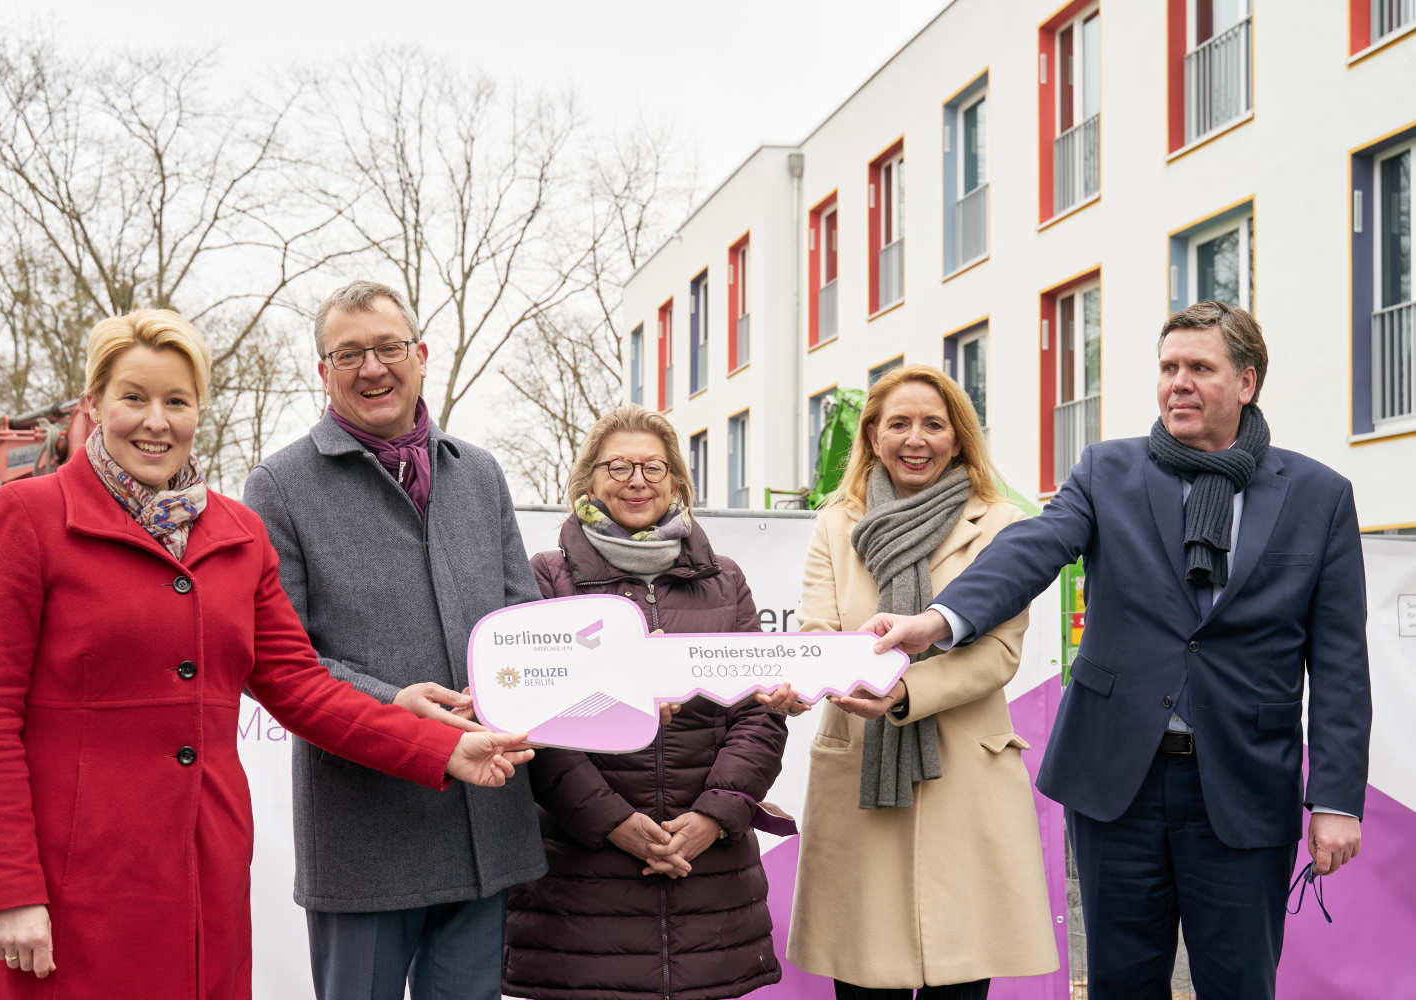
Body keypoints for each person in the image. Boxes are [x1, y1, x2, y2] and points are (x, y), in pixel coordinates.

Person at [0, 309, 533, 1000]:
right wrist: (9, 889)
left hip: (205, 875)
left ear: (199, 411)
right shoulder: (28, 518)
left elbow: (300, 687)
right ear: (95, 404)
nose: (155, 421)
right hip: (71, 884)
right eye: (134, 398)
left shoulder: (237, 531)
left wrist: (436, 749)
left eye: (177, 401)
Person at [866, 303, 1372, 1000]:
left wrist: (1337, 800)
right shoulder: (1109, 470)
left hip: (1245, 786)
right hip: (1117, 784)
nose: (1178, 384)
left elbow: (1341, 660)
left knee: (1240, 984)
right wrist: (939, 620)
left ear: (1246, 383)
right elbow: (1032, 549)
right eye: (1169, 369)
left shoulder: (1319, 495)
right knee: (1120, 984)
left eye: (1200, 368)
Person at [242, 280, 546, 1000]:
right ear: (322, 372)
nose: (372, 368)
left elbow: (522, 622)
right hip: (365, 832)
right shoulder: (278, 485)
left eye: (388, 347)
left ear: (422, 355)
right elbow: (280, 658)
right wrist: (393, 701)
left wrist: (607, 688)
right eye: (349, 354)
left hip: (486, 824)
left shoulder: (481, 474)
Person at [758, 364, 1057, 999]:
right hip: (861, 768)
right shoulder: (837, 523)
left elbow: (999, 653)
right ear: (871, 435)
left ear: (958, 437)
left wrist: (906, 694)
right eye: (898, 423)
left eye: (933, 424)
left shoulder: (999, 522)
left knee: (960, 979)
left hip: (964, 775)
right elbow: (817, 631)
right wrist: (805, 678)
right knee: (866, 980)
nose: (915, 439)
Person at [502, 404, 789, 1000]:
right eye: (619, 466)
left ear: (678, 483)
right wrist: (612, 823)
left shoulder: (726, 580)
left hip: (709, 876)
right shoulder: (547, 578)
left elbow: (757, 709)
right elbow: (533, 718)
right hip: (582, 882)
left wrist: (714, 816)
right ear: (587, 483)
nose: (637, 480)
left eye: (653, 467)